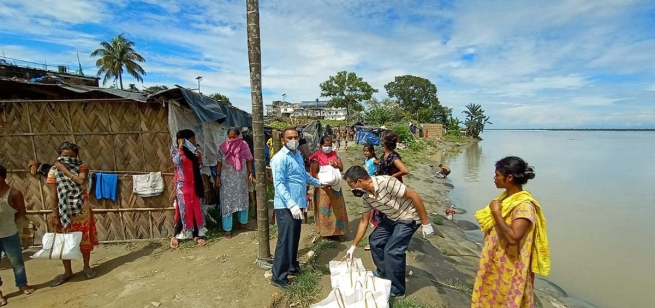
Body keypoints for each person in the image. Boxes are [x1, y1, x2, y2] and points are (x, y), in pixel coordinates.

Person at [343, 166, 434, 298]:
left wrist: (426, 223)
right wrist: (353, 246)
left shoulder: (386, 182)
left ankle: (398, 290)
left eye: (352, 185)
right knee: (375, 239)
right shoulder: (367, 197)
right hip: (392, 217)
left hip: (409, 216)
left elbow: (415, 196)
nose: (352, 189)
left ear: (361, 181)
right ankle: (384, 270)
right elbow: (364, 221)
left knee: (393, 250)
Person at [471, 156, 550, 307]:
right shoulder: (506, 199)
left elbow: (513, 237)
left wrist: (496, 213)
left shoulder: (524, 206)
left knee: (509, 301)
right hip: (497, 262)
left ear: (509, 177)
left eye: (497, 175)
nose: (494, 178)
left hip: (512, 267)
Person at [270, 128, 323, 289]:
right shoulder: (280, 159)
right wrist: (291, 203)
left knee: (294, 237)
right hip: (287, 205)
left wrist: (319, 183)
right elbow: (278, 184)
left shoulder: (297, 155)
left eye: (295, 137)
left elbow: (303, 175)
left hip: (298, 203)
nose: (293, 139)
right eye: (289, 137)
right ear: (284, 140)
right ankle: (279, 277)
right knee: (285, 241)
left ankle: (292, 266)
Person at [47, 142, 99, 286]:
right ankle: (67, 271)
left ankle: (86, 267)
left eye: (71, 156)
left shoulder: (82, 167)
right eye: (64, 156)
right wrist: (55, 215)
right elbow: (53, 196)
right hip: (63, 213)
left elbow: (80, 180)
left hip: (81, 210)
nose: (68, 159)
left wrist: (63, 168)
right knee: (64, 242)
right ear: (59, 155)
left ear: (76, 156)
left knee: (84, 240)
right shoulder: (52, 172)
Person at [0, 165, 34, 304]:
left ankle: (22, 284)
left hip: (9, 233)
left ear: (2, 178)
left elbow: (21, 211)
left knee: (17, 262)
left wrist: (9, 221)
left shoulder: (14, 193)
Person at [170, 130, 207, 248]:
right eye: (191, 139)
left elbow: (200, 166)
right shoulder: (176, 151)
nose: (194, 142)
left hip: (195, 184)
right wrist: (181, 148)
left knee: (196, 209)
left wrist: (199, 157)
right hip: (183, 186)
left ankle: (196, 235)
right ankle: (176, 235)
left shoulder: (194, 152)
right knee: (183, 211)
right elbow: (176, 162)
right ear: (184, 140)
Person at [216, 128, 254, 238]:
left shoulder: (243, 145)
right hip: (226, 179)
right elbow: (219, 162)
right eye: (230, 137)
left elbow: (248, 160)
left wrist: (250, 173)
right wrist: (218, 176)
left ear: (239, 136)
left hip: (241, 178)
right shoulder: (222, 147)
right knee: (227, 202)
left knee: (242, 199)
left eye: (234, 137)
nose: (232, 139)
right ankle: (228, 229)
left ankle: (243, 223)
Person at [309, 136, 348, 240]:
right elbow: (314, 174)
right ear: (321, 145)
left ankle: (338, 232)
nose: (328, 147)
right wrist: (324, 183)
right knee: (325, 211)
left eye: (330, 145)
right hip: (323, 188)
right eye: (326, 145)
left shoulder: (335, 154)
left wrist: (335, 165)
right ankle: (326, 233)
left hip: (335, 187)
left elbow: (341, 168)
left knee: (338, 209)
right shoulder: (315, 157)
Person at [372, 131, 409, 226]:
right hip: (385, 187)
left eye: (382, 138)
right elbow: (383, 164)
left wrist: (390, 177)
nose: (380, 139)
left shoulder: (393, 157)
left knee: (390, 210)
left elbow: (405, 170)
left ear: (384, 142)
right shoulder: (385, 155)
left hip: (392, 187)